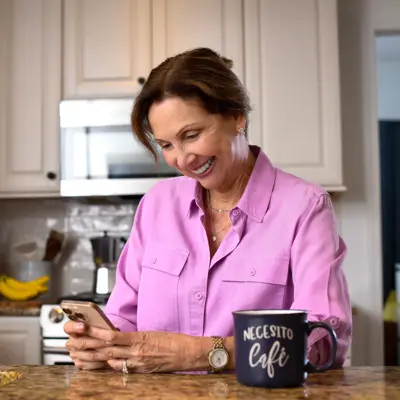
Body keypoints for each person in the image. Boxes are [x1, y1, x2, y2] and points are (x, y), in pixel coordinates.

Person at [64, 47, 352, 374]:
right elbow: (123, 317)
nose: (183, 159)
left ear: (236, 116)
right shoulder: (156, 205)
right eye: (167, 145)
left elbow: (326, 341)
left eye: (192, 135)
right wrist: (99, 343)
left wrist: (205, 354)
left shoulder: (304, 207)